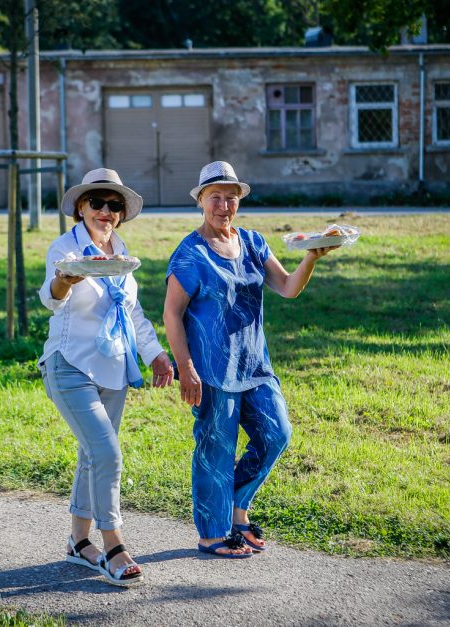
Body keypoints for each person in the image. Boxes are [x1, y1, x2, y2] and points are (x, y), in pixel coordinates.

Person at [163, 161, 338, 558]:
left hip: (254, 365)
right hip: (211, 371)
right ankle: (212, 533)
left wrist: (311, 256)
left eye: (231, 198)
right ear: (201, 202)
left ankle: (237, 509)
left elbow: (289, 288)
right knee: (216, 450)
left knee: (277, 433)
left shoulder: (255, 243)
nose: (224, 206)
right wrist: (185, 368)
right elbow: (172, 314)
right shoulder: (190, 255)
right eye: (215, 198)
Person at [38, 168, 174, 586]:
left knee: (92, 454)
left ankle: (79, 542)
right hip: (70, 365)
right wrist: (64, 280)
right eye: (97, 202)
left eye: (114, 205)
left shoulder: (121, 254)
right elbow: (50, 299)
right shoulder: (65, 248)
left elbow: (131, 311)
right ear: (81, 208)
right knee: (108, 454)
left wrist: (155, 354)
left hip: (114, 367)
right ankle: (113, 542)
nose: (106, 211)